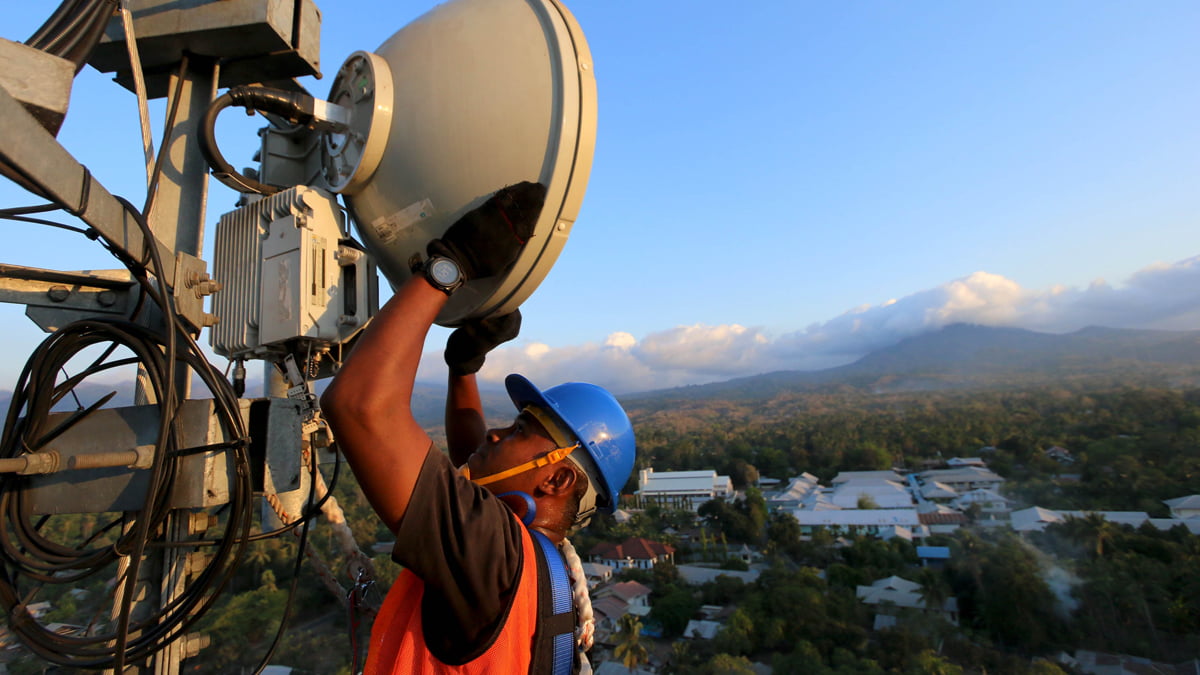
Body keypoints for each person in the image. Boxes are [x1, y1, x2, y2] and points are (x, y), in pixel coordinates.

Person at [320, 182, 636, 674]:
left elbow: (359, 407)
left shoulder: (496, 559)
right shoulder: (532, 568)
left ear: (556, 478)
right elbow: (474, 462)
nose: (493, 434)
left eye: (518, 431)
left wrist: (450, 267)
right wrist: (463, 367)